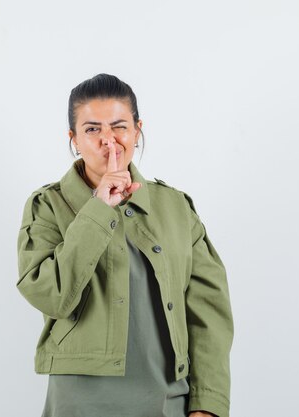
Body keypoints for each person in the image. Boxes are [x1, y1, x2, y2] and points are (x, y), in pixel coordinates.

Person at [16, 73, 234, 417]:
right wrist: (99, 209)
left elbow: (209, 312)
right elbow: (50, 295)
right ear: (73, 139)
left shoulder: (175, 207)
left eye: (119, 126)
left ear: (137, 130)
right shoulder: (48, 206)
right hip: (80, 401)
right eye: (92, 129)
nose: (108, 140)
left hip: (167, 398)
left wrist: (208, 404)